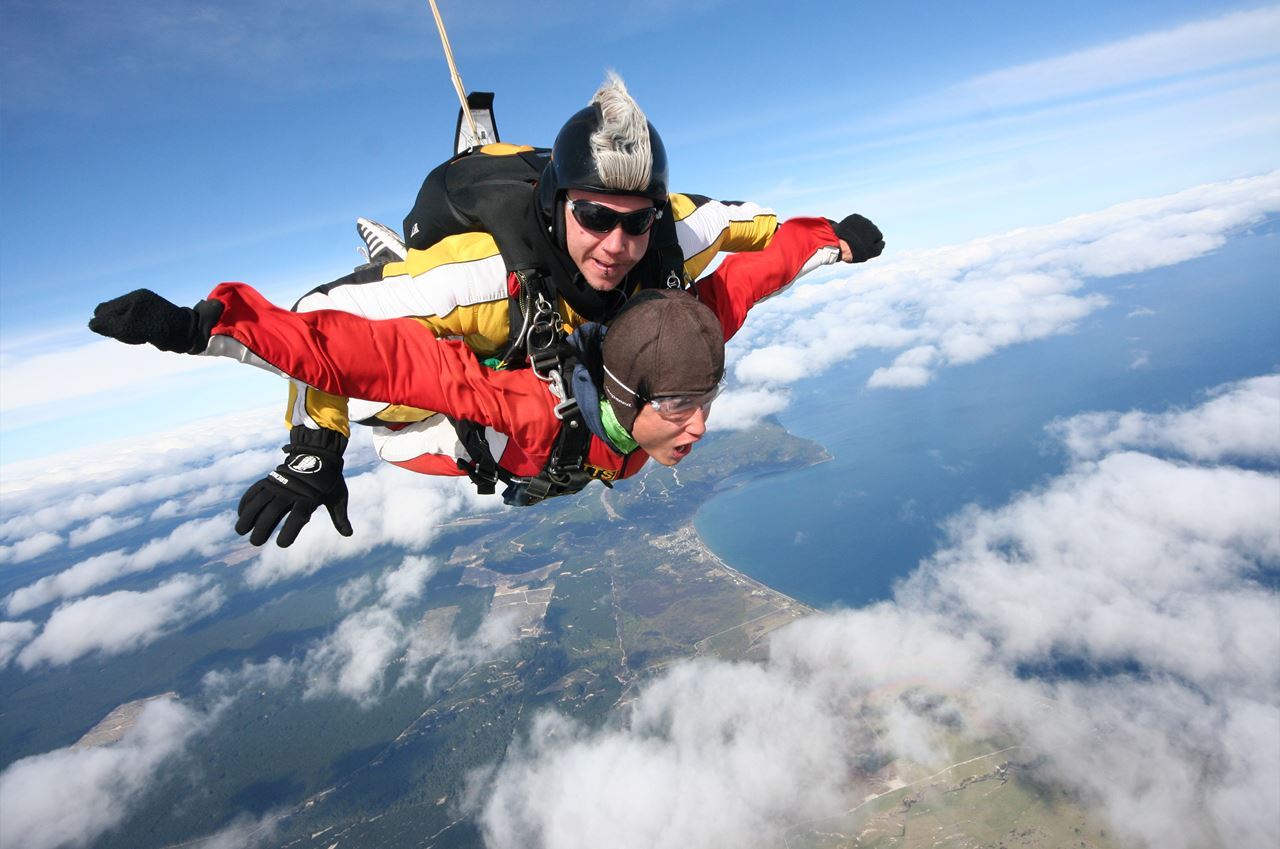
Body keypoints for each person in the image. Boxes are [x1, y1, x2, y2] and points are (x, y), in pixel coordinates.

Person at [240, 74, 885, 544]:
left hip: (559, 362)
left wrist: (834, 238)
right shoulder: (482, 277)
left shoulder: (672, 237)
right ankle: (393, 261)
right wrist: (315, 445)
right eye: (595, 216)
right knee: (387, 411)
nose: (617, 245)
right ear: (556, 207)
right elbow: (318, 315)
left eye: (637, 222)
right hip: (466, 329)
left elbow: (752, 240)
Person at [88, 213, 864, 535]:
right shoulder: (528, 412)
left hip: (539, 414)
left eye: (705, 401)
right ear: (631, 397)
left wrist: (833, 238)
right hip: (446, 434)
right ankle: (398, 275)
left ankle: (412, 281)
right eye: (683, 407)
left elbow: (750, 278)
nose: (701, 424)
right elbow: (369, 357)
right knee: (393, 410)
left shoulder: (680, 340)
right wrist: (206, 331)